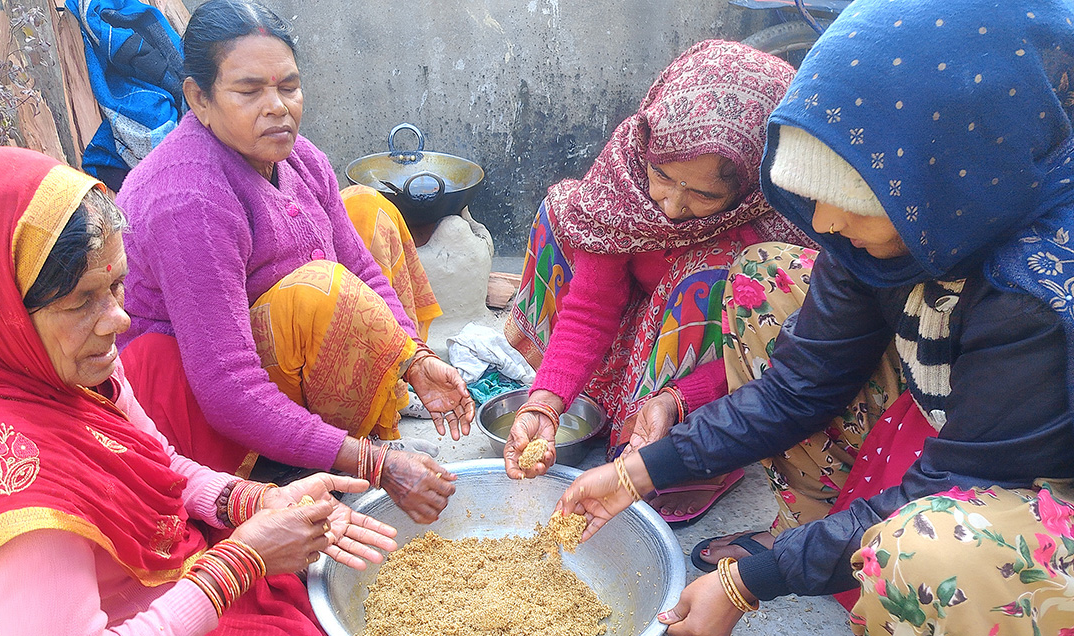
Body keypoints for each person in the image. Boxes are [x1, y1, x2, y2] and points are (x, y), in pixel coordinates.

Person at [557, 1, 1074, 634]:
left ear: (936, 185)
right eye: (816, 199)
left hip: (1034, 481)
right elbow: (801, 383)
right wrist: (636, 474)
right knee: (764, 281)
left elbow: (951, 486)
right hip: (950, 407)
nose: (824, 225)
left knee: (930, 546)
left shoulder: (1039, 294)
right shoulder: (904, 227)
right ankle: (823, 542)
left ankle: (888, 578)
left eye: (851, 204)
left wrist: (750, 582)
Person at [0, 147, 399, 636]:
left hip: (162, 579)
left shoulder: (61, 365)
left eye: (116, 286)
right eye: (81, 301)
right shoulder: (9, 493)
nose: (117, 318)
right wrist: (240, 563)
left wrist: (257, 499)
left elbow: (159, 460)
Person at [114, 0, 473, 524]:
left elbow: (362, 265)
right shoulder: (191, 198)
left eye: (288, 86)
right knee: (321, 290)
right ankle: (292, 465)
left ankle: (365, 418)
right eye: (249, 90)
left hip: (257, 342)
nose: (278, 106)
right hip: (186, 391)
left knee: (370, 211)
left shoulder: (300, 157)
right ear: (199, 99)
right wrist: (375, 464)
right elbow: (226, 387)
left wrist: (414, 360)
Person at [502, 40, 813, 524]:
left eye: (704, 194)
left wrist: (676, 399)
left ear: (752, 180)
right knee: (564, 212)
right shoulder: (624, 165)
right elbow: (592, 305)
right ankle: (587, 396)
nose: (670, 205)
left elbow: (777, 356)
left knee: (708, 275)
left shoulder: (781, 216)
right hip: (638, 317)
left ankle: (686, 459)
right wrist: (546, 399)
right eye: (662, 174)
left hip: (703, 358)